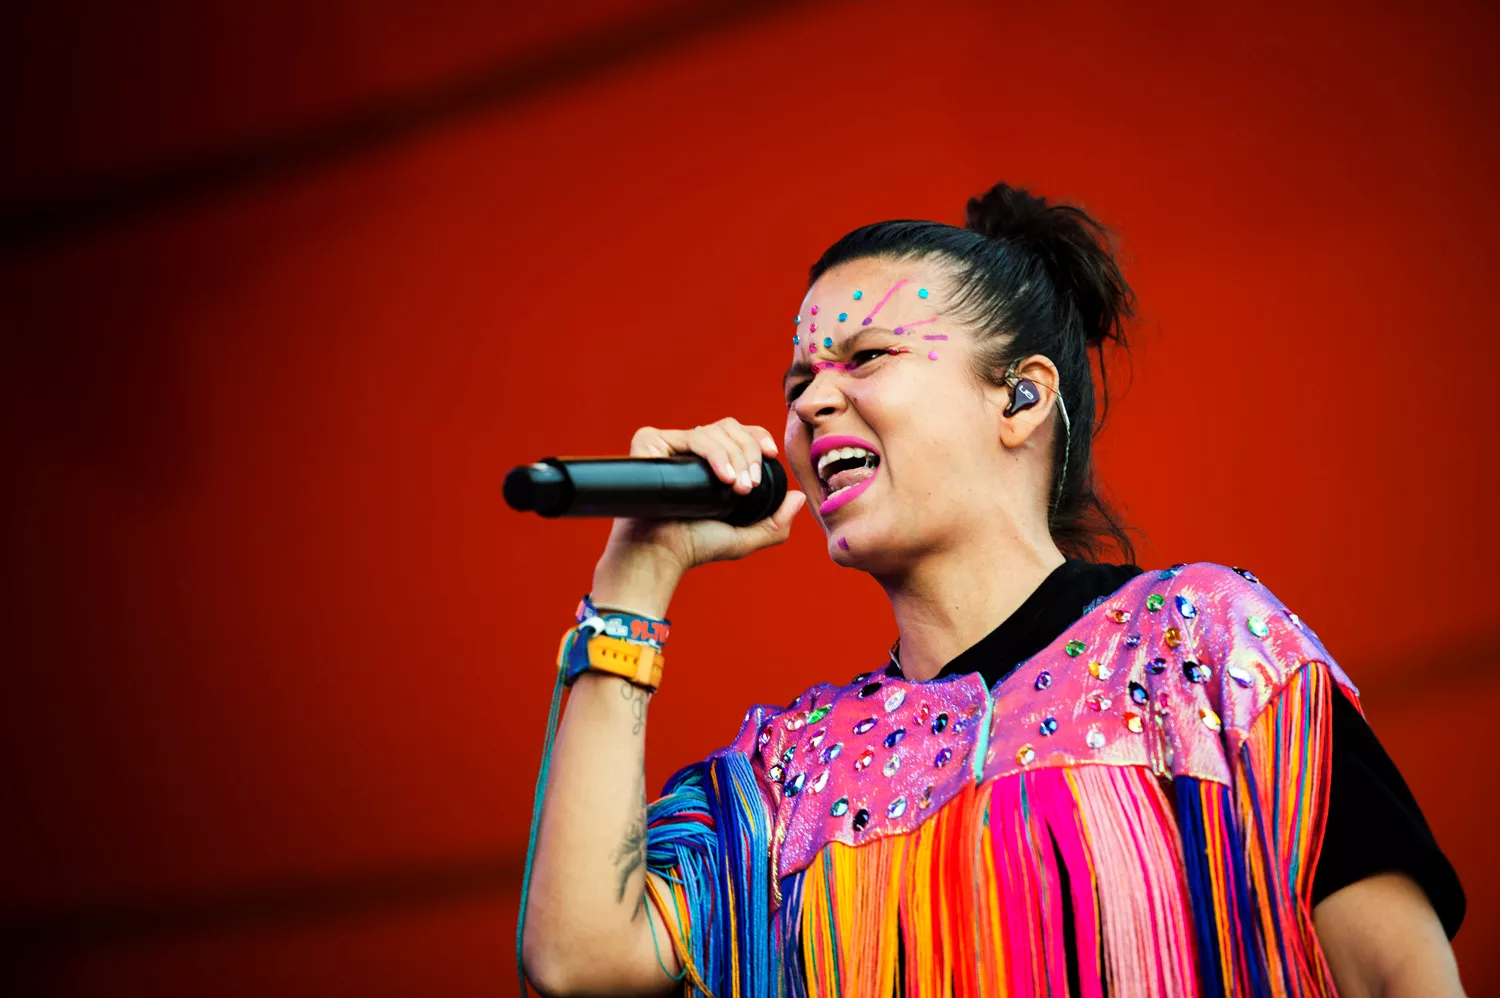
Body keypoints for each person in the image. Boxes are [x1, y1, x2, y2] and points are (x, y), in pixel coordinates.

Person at [516, 183, 1466, 997]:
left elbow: (1398, 975)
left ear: (1020, 398)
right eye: (800, 376)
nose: (808, 402)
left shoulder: (1202, 642)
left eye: (866, 357)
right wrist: (635, 579)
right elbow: (579, 961)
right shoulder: (784, 774)